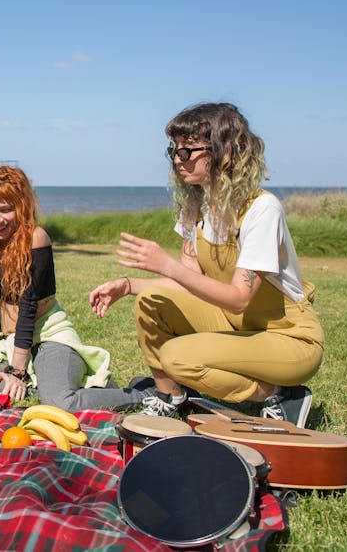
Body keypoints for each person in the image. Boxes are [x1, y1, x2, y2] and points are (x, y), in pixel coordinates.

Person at [89, 102, 324, 428]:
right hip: (235, 324)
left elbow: (240, 297)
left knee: (177, 357)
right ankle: (171, 396)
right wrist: (128, 286)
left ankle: (278, 393)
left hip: (288, 339)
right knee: (150, 302)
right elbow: (189, 284)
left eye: (188, 151)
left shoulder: (261, 210)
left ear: (223, 151)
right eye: (174, 150)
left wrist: (167, 265)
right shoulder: (196, 208)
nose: (177, 160)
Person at [0, 166, 147, 410]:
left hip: (49, 337)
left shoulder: (35, 237)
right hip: (10, 342)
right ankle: (47, 386)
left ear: (21, 207)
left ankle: (144, 394)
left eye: (5, 210)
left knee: (60, 403)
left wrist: (18, 371)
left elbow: (28, 306)